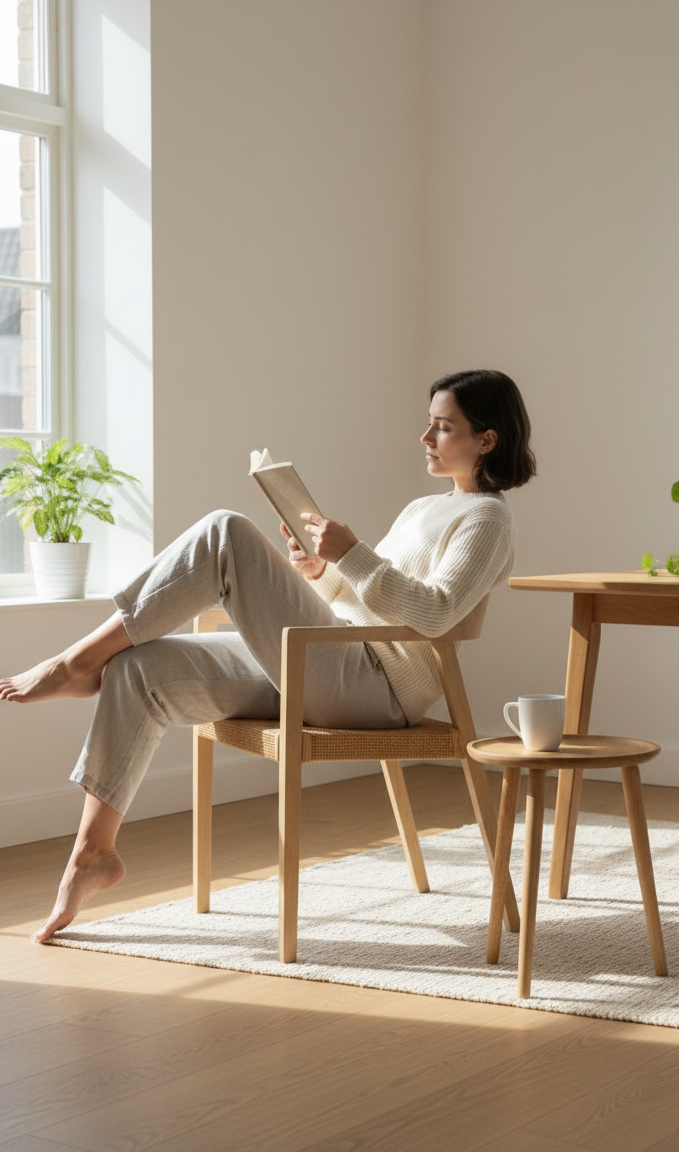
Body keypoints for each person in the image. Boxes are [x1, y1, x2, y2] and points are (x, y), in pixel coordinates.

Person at [0, 369, 536, 943]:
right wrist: (321, 572)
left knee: (225, 531)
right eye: (429, 423)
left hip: (377, 685)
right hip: (331, 656)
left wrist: (351, 554)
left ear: (486, 440)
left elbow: (434, 614)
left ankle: (75, 662)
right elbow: (366, 598)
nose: (426, 438)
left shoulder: (489, 519)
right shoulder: (419, 509)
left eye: (443, 426)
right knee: (139, 668)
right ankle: (93, 854)